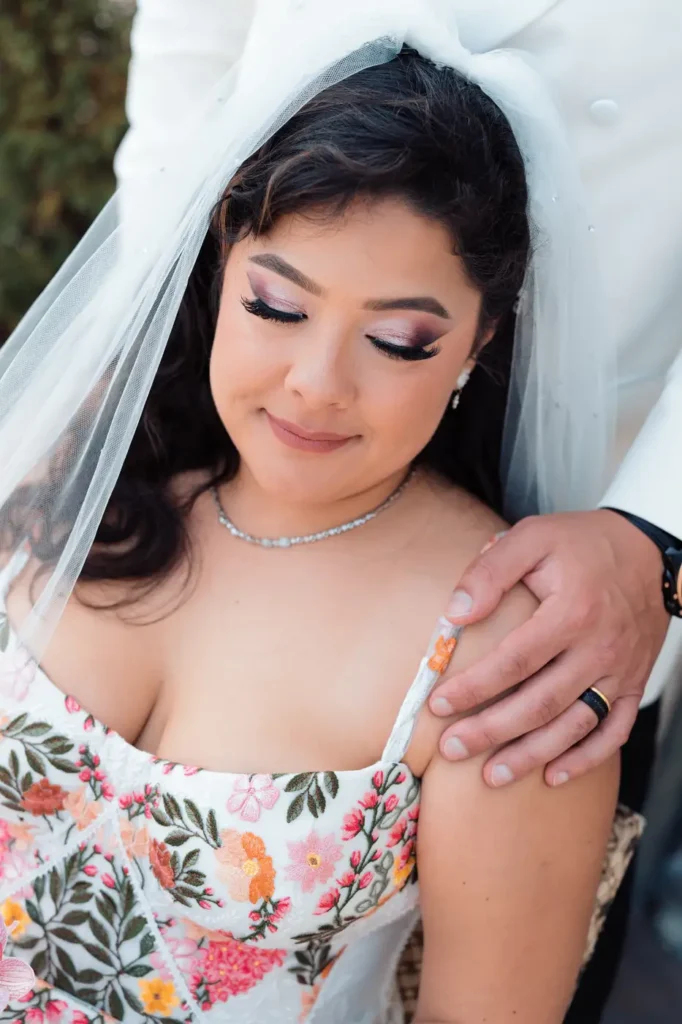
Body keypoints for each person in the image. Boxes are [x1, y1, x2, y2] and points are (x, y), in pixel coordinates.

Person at [0, 3, 624, 1021]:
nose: (316, 382)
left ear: (478, 345)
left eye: (400, 341)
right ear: (220, 261)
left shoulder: (504, 650)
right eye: (277, 307)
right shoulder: (86, 473)